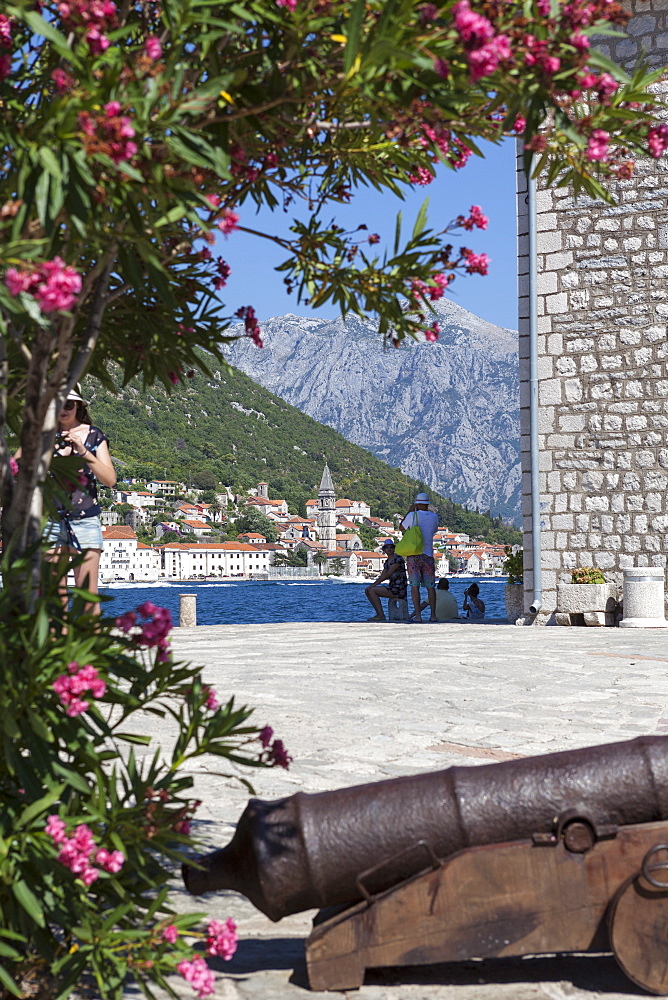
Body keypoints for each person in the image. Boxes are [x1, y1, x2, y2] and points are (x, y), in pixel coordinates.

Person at [43, 388, 116, 611]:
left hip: (84, 519)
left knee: (87, 595)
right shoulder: (43, 437)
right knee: (55, 597)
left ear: (78, 407)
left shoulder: (94, 435)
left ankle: (89, 645)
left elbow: (110, 479)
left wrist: (83, 451)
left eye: (69, 404)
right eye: (58, 404)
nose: (63, 409)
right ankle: (59, 644)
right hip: (50, 520)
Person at [401, 492, 439, 623]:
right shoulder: (434, 517)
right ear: (428, 504)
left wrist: (409, 511)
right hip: (428, 554)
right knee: (430, 587)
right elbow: (433, 531)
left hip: (413, 554)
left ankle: (418, 615)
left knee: (414, 586)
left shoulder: (412, 515)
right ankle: (433, 615)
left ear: (417, 504)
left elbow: (402, 527)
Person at [364, 538, 407, 622]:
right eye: (387, 547)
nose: (389, 549)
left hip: (399, 589)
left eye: (391, 547)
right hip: (392, 587)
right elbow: (382, 576)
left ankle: (381, 615)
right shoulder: (387, 562)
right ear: (384, 549)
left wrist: (373, 586)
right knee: (368, 590)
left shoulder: (397, 559)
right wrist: (372, 585)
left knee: (372, 590)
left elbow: (388, 574)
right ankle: (379, 613)